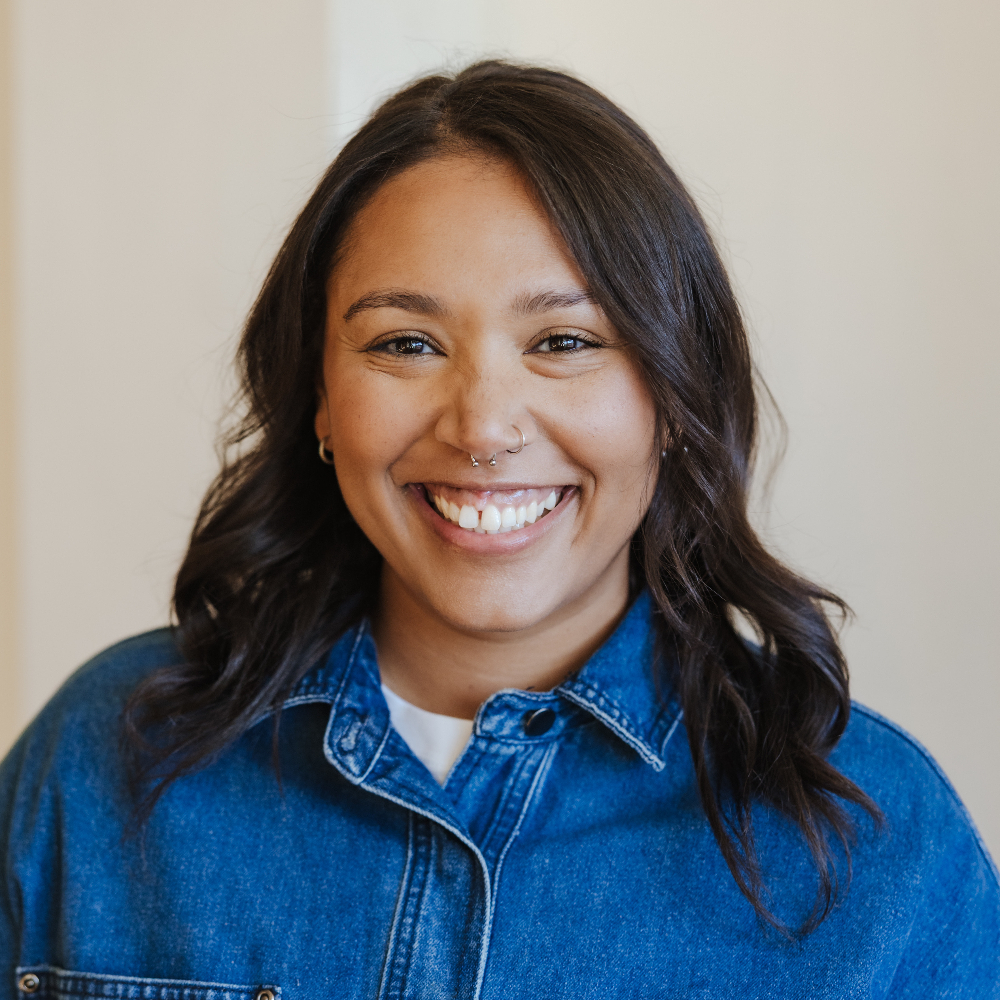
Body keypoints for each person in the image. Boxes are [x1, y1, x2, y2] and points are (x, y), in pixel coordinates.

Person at [1, 60, 997, 999]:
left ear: (673, 396)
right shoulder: (101, 758)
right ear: (318, 397)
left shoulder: (879, 839)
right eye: (405, 343)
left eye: (563, 340)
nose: (482, 427)